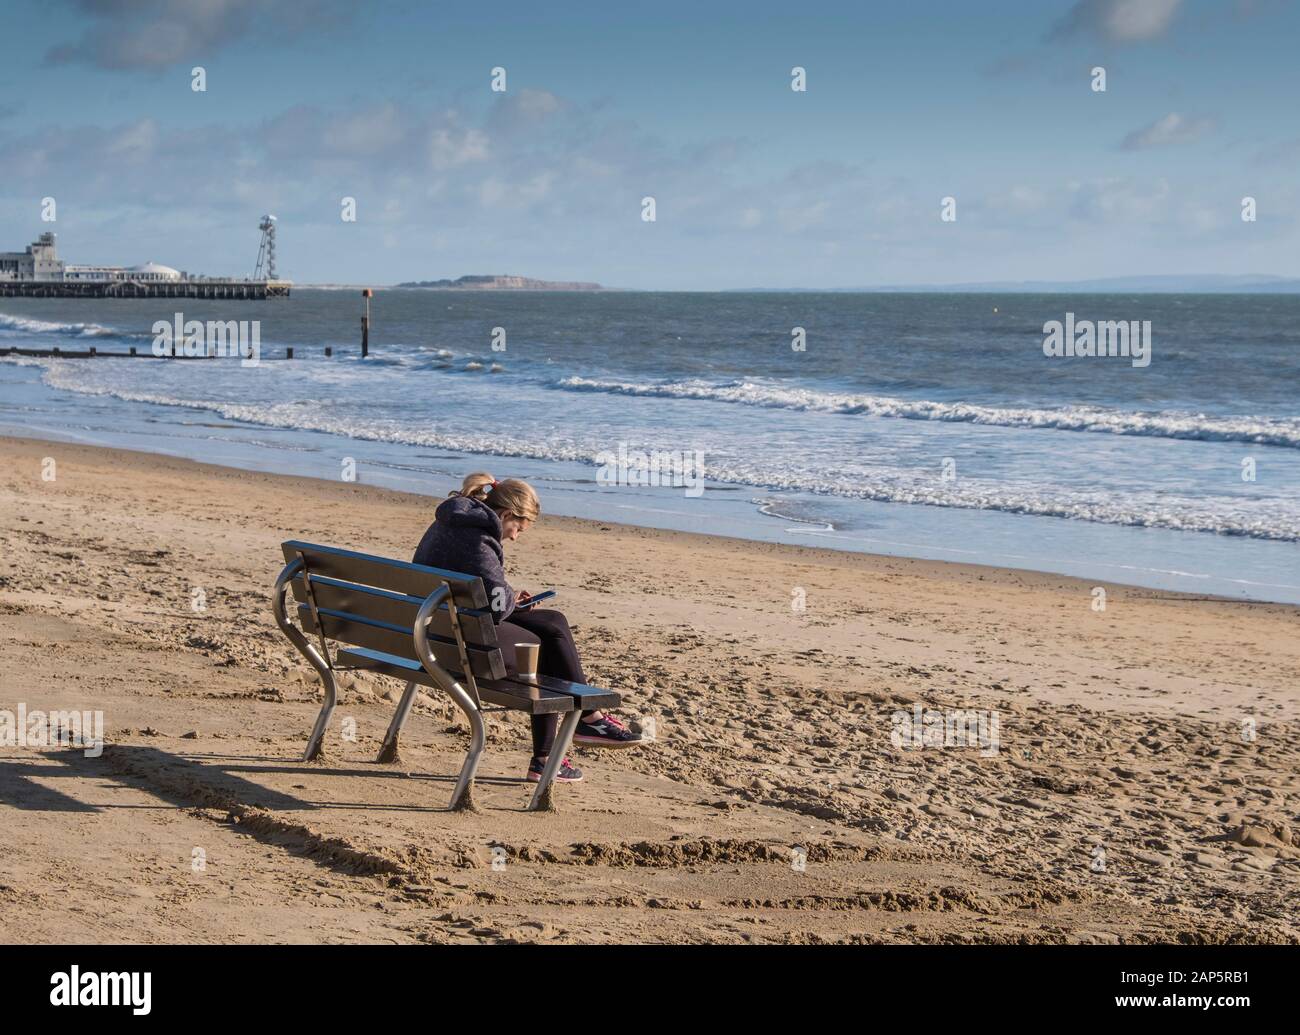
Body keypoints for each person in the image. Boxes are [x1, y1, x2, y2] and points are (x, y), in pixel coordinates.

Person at [413, 472, 642, 784]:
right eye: (517, 528)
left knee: (553, 622)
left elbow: (477, 581)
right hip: (459, 643)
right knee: (540, 646)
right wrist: (508, 599)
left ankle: (589, 718)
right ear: (506, 514)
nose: (515, 536)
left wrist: (509, 597)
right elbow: (495, 605)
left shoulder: (450, 520)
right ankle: (550, 755)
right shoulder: (480, 538)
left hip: (431, 629)